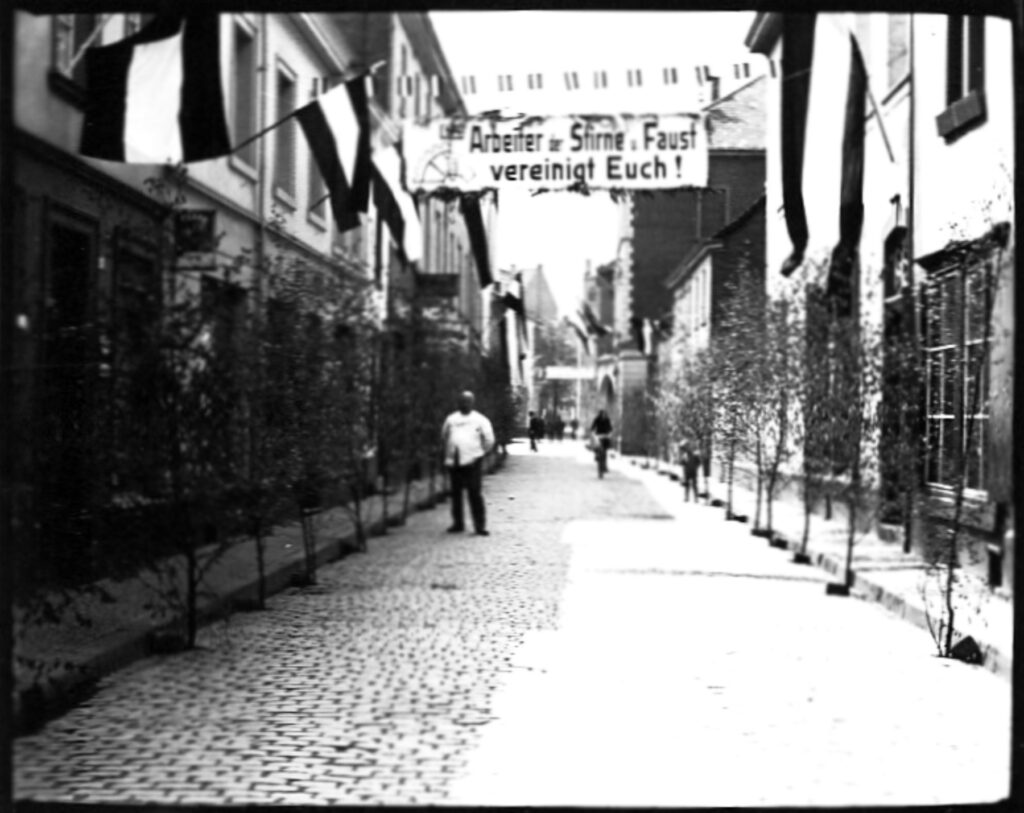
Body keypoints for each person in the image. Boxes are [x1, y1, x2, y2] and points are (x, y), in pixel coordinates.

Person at [442, 391, 495, 536]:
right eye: (462, 401)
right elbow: (444, 435)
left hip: (473, 461)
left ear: (472, 403)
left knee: (474, 493)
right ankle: (458, 523)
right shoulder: (451, 419)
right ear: (458, 403)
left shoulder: (480, 419)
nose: (464, 404)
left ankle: (479, 526)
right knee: (456, 494)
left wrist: (480, 453)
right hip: (455, 461)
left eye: (467, 401)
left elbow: (489, 439)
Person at [590, 409, 613, 477]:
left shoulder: (607, 420)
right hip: (598, 436)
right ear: (600, 415)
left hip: (605, 436)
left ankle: (604, 466)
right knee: (597, 447)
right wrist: (593, 433)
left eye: (604, 414)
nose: (603, 416)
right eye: (602, 414)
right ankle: (596, 454)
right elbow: (592, 427)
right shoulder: (597, 419)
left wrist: (610, 434)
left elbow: (610, 428)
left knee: (605, 452)